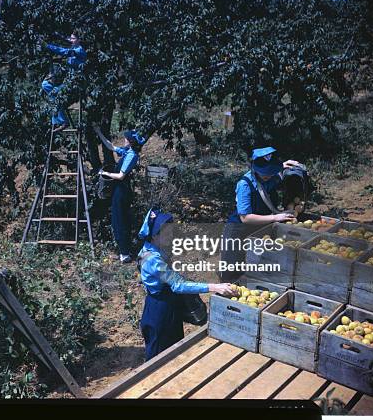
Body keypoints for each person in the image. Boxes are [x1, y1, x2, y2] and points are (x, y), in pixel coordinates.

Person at [137, 208, 236, 361]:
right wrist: (214, 287)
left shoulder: (155, 249)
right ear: (154, 236)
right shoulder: (153, 260)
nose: (171, 234)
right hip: (160, 311)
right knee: (159, 358)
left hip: (168, 305)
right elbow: (178, 285)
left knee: (174, 350)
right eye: (166, 232)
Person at [220, 146, 302, 282]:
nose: (268, 175)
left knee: (258, 267)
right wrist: (276, 217)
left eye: (271, 171)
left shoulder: (270, 176)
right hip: (238, 231)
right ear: (255, 169)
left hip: (259, 229)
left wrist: (282, 165)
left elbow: (276, 172)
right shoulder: (245, 185)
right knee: (233, 272)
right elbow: (245, 218)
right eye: (265, 172)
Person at [92, 124, 144, 263]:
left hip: (122, 191)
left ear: (131, 141)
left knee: (120, 220)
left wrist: (105, 173)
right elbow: (110, 146)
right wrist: (99, 132)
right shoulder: (127, 151)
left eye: (126, 138)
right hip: (119, 190)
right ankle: (124, 251)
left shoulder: (131, 155)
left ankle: (125, 253)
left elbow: (121, 176)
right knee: (118, 219)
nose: (124, 139)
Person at [41, 30, 86, 132]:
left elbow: (64, 52)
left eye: (73, 38)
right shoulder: (74, 46)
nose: (71, 40)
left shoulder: (79, 50)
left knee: (55, 96)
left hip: (76, 82)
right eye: (71, 38)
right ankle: (60, 121)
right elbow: (66, 38)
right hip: (68, 81)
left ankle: (63, 122)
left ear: (79, 40)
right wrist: (56, 33)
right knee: (45, 85)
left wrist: (48, 46)